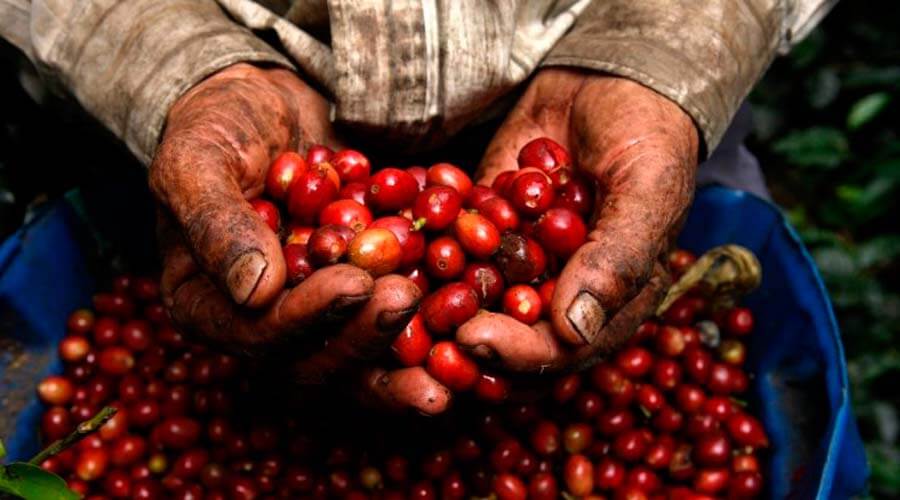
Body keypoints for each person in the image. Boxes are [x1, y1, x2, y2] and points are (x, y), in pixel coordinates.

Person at [0, 0, 834, 414]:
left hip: (620, 107)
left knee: (652, 273)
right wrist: (157, 56)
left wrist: (668, 43)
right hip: (162, 120)